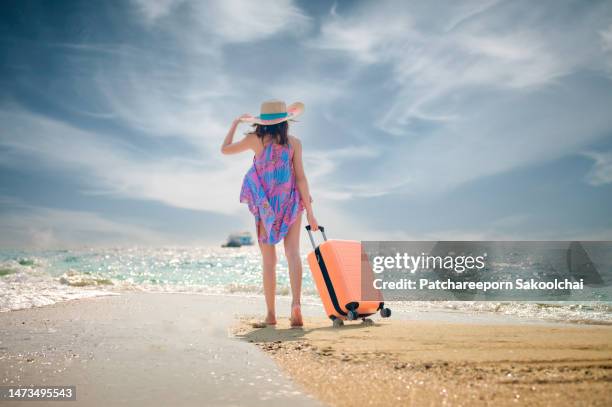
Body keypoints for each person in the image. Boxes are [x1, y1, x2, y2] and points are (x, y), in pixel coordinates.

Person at [221, 99, 318, 327]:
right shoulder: (294, 143)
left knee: (269, 261)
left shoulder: (255, 140)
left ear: (262, 122)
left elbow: (224, 150)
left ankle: (271, 314)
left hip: (267, 207)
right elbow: (301, 178)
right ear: (285, 121)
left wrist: (235, 123)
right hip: (291, 201)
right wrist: (311, 213)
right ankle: (296, 305)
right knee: (293, 254)